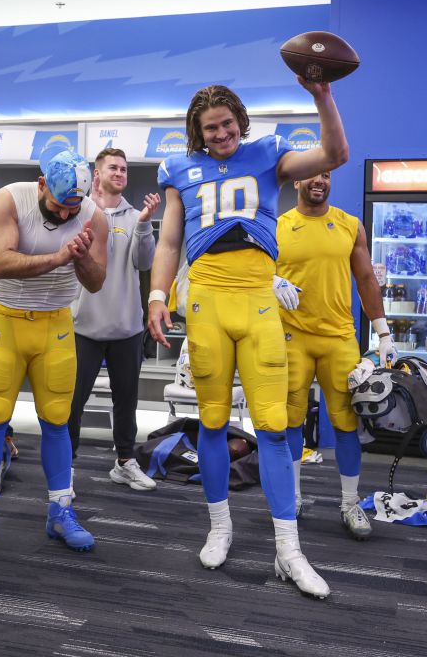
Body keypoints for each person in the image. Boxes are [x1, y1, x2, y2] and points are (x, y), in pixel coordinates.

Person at [147, 80, 349, 599]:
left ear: (241, 120)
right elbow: (170, 239)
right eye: (210, 126)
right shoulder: (178, 170)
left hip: (258, 302)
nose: (221, 132)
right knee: (212, 422)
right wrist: (156, 295)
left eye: (227, 122)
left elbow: (335, 153)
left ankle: (289, 549)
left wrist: (322, 95)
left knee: (276, 427)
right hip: (207, 302)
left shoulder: (270, 153)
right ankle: (219, 526)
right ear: (197, 131)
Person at [0, 146, 109, 563]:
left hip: (56, 325)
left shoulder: (95, 215)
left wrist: (80, 260)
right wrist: (60, 255)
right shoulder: (8, 198)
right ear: (42, 185)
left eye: (72, 209)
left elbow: (95, 282)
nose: (65, 215)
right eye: (58, 206)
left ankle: (61, 509)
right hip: (6, 321)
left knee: (57, 421)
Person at [276, 170, 397, 540]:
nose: (319, 181)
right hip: (291, 336)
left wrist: (384, 333)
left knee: (346, 423)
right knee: (291, 422)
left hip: (339, 337)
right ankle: (292, 497)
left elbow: (365, 280)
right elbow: (253, 274)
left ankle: (349, 503)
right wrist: (270, 282)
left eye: (326, 175)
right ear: (296, 182)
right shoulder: (277, 226)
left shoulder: (349, 225)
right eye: (311, 174)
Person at [66, 148, 161, 489]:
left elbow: (145, 263)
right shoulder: (78, 213)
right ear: (97, 174)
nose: (120, 173)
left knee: (127, 400)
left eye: (124, 169)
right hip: (83, 328)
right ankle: (66, 466)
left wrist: (146, 222)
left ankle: (125, 461)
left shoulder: (136, 215)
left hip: (126, 328)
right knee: (72, 403)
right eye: (113, 168)